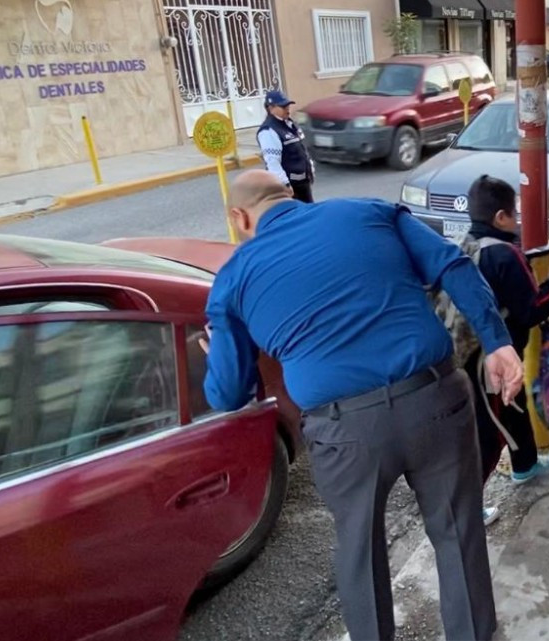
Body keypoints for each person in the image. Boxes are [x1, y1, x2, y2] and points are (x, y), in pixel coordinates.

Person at [201, 169, 525, 641]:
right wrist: (497, 343)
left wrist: (217, 357)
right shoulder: (367, 211)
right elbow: (453, 264)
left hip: (344, 433)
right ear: (290, 196)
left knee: (360, 554)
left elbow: (230, 394)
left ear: (238, 217)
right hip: (434, 399)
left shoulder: (232, 279)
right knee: (458, 535)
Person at [462, 175, 549, 525]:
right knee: (490, 431)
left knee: (514, 408)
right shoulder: (504, 255)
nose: (516, 219)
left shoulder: (468, 243)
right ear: (500, 216)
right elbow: (531, 310)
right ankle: (467, 510)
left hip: (473, 352)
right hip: (493, 361)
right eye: (513, 214)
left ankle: (526, 464)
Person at [257, 90, 315, 203]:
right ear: (271, 108)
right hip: (289, 188)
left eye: (287, 105)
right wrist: (285, 185)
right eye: (283, 106)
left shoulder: (290, 124)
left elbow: (302, 149)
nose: (287, 109)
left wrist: (310, 170)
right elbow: (273, 162)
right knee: (294, 218)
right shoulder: (269, 131)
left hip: (303, 184)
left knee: (307, 216)